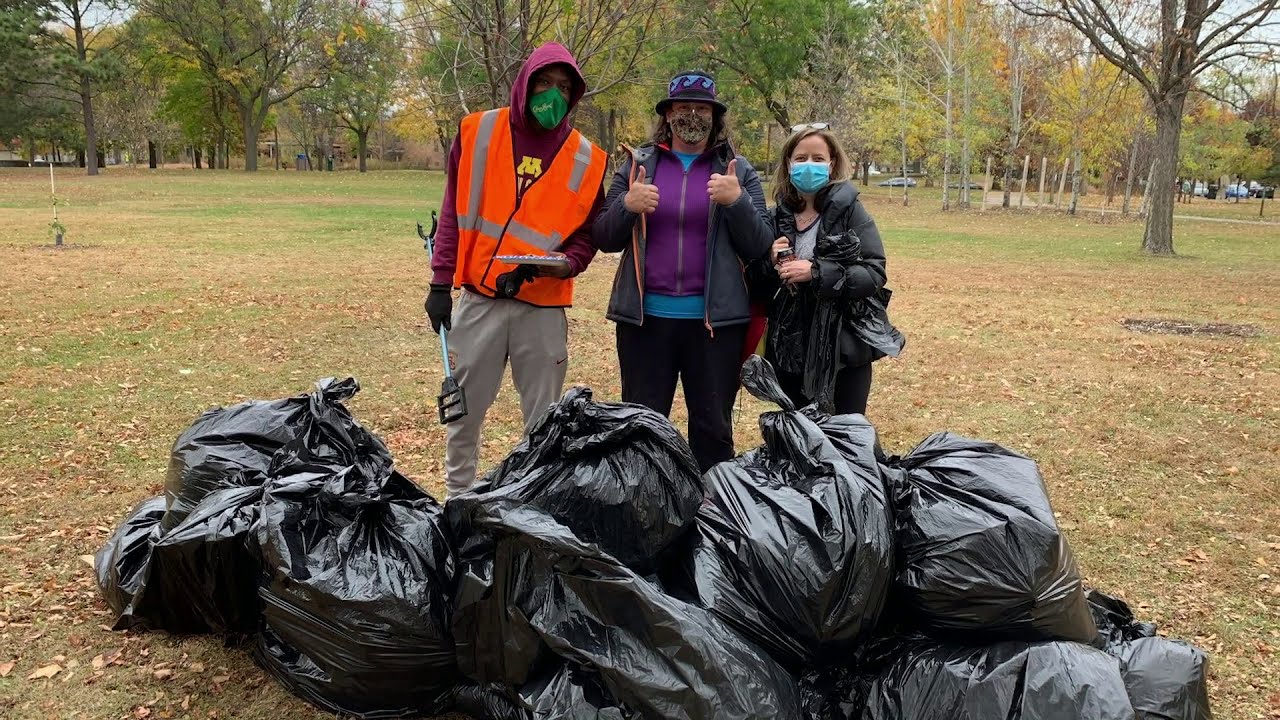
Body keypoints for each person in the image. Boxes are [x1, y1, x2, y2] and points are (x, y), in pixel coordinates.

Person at [424, 43, 608, 496]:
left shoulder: (588, 158)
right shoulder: (477, 132)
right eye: (545, 83)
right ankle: (459, 501)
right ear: (526, 81)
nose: (553, 95)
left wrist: (559, 267)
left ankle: (533, 509)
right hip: (480, 302)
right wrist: (439, 283)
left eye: (565, 88)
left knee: (544, 422)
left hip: (541, 311)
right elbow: (452, 213)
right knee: (464, 414)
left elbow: (587, 239)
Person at [592, 70, 774, 472]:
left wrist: (736, 202)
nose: (692, 115)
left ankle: (713, 515)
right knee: (641, 429)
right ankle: (647, 510)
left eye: (702, 107)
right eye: (683, 106)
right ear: (667, 113)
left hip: (715, 327)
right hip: (645, 322)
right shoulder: (639, 165)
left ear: (715, 115)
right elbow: (602, 236)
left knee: (712, 430)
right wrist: (627, 205)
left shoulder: (738, 171)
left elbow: (762, 243)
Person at [749, 124, 903, 415]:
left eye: (818, 159)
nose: (810, 165)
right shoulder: (774, 217)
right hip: (788, 348)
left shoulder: (850, 211)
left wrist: (817, 272)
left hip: (843, 347)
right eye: (801, 158)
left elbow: (873, 271)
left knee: (845, 435)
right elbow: (754, 284)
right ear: (788, 164)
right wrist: (769, 261)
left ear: (832, 164)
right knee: (795, 433)